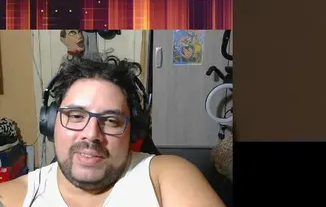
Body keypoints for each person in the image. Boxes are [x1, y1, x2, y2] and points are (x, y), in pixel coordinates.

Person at [0, 56, 226, 206]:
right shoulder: (16, 196)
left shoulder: (166, 175)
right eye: (76, 116)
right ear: (51, 122)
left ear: (133, 132)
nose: (91, 134)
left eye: (111, 121)